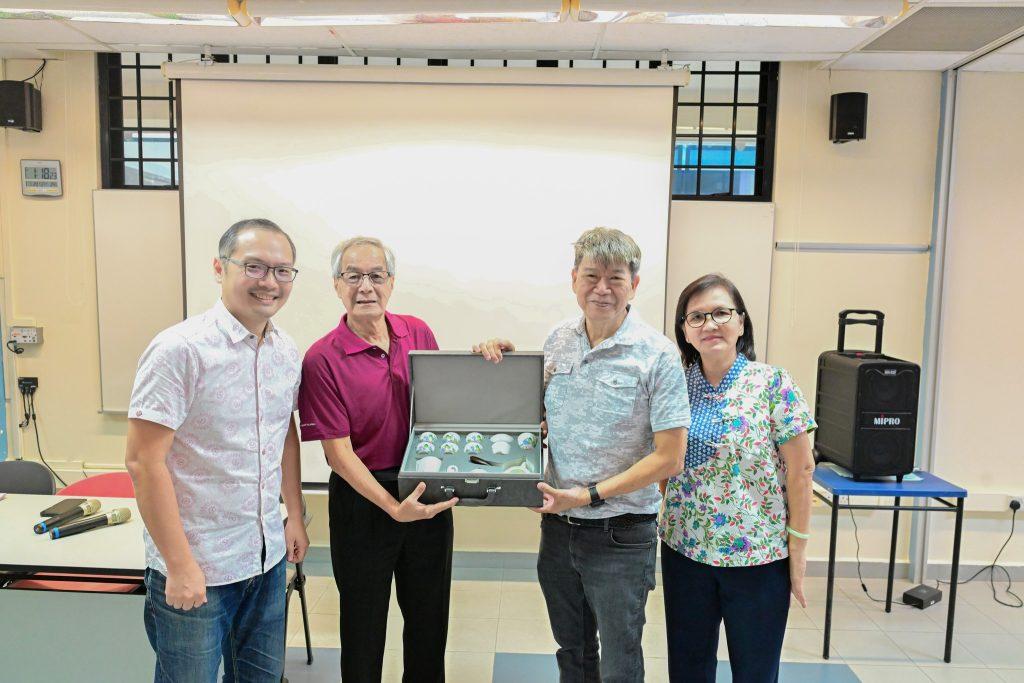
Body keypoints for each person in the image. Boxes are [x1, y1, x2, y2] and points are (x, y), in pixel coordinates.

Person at [475, 226, 690, 683]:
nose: (602, 288)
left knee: (619, 660)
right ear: (574, 279)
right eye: (591, 276)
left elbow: (670, 458)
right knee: (572, 651)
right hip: (558, 529)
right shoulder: (558, 339)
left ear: (634, 284)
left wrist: (589, 495)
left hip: (621, 534)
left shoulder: (658, 355)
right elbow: (535, 415)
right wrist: (504, 367)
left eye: (615, 278)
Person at [126, 218, 309, 682]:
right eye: (254, 267)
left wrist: (294, 513)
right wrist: (179, 565)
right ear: (219, 267)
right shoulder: (179, 350)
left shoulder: (285, 351)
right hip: (199, 567)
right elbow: (143, 462)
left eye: (282, 271)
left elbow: (283, 432)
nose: (269, 282)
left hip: (265, 560)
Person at [297, 236, 458, 682]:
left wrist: (487, 361)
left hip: (425, 492)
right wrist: (392, 507)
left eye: (376, 275)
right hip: (362, 501)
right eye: (353, 276)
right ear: (336, 284)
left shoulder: (418, 332)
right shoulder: (321, 359)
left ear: (391, 282)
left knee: (429, 623)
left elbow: (441, 412)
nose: (365, 286)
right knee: (363, 629)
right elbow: (338, 455)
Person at [659, 273, 816, 683]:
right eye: (696, 317)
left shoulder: (773, 383)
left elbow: (802, 470)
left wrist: (797, 549)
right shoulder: (673, 386)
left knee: (755, 671)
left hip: (758, 557)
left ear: (741, 322)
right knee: (688, 669)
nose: (710, 324)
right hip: (685, 551)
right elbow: (663, 462)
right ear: (684, 331)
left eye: (721, 313)